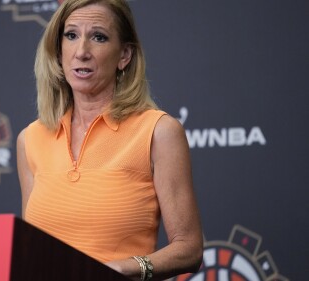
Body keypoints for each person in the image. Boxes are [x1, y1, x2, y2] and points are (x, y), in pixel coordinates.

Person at [16, 0, 203, 280]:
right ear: (58, 50)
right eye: (71, 35)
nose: (81, 52)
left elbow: (189, 249)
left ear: (124, 55)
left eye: (99, 37)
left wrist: (125, 268)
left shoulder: (158, 131)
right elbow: (32, 252)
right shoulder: (30, 138)